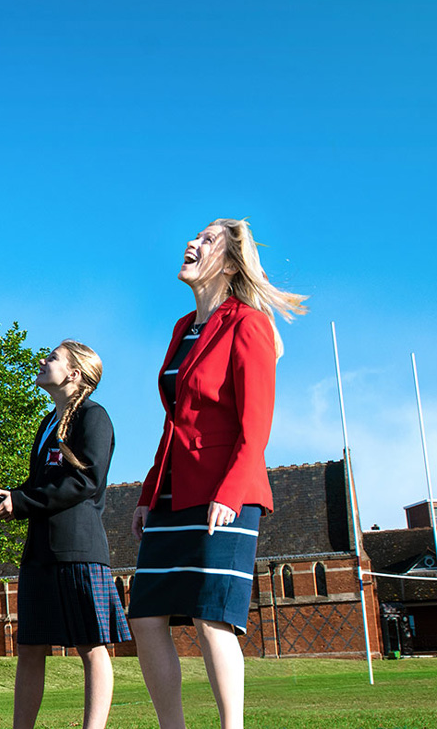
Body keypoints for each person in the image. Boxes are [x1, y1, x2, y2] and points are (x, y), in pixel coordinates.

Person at [128, 219, 306, 729]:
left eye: (207, 240)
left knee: (212, 618)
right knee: (144, 617)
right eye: (194, 236)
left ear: (229, 262)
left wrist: (231, 491)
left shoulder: (248, 323)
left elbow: (257, 423)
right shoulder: (183, 328)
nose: (192, 242)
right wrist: (148, 491)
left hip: (226, 492)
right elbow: (176, 419)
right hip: (171, 491)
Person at [0, 340, 128, 729]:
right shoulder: (47, 422)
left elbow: (86, 480)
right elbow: (41, 484)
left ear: (74, 374)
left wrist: (24, 501)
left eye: (52, 358)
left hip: (78, 551)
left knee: (91, 647)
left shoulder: (94, 417)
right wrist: (10, 498)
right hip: (39, 552)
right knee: (30, 649)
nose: (42, 361)